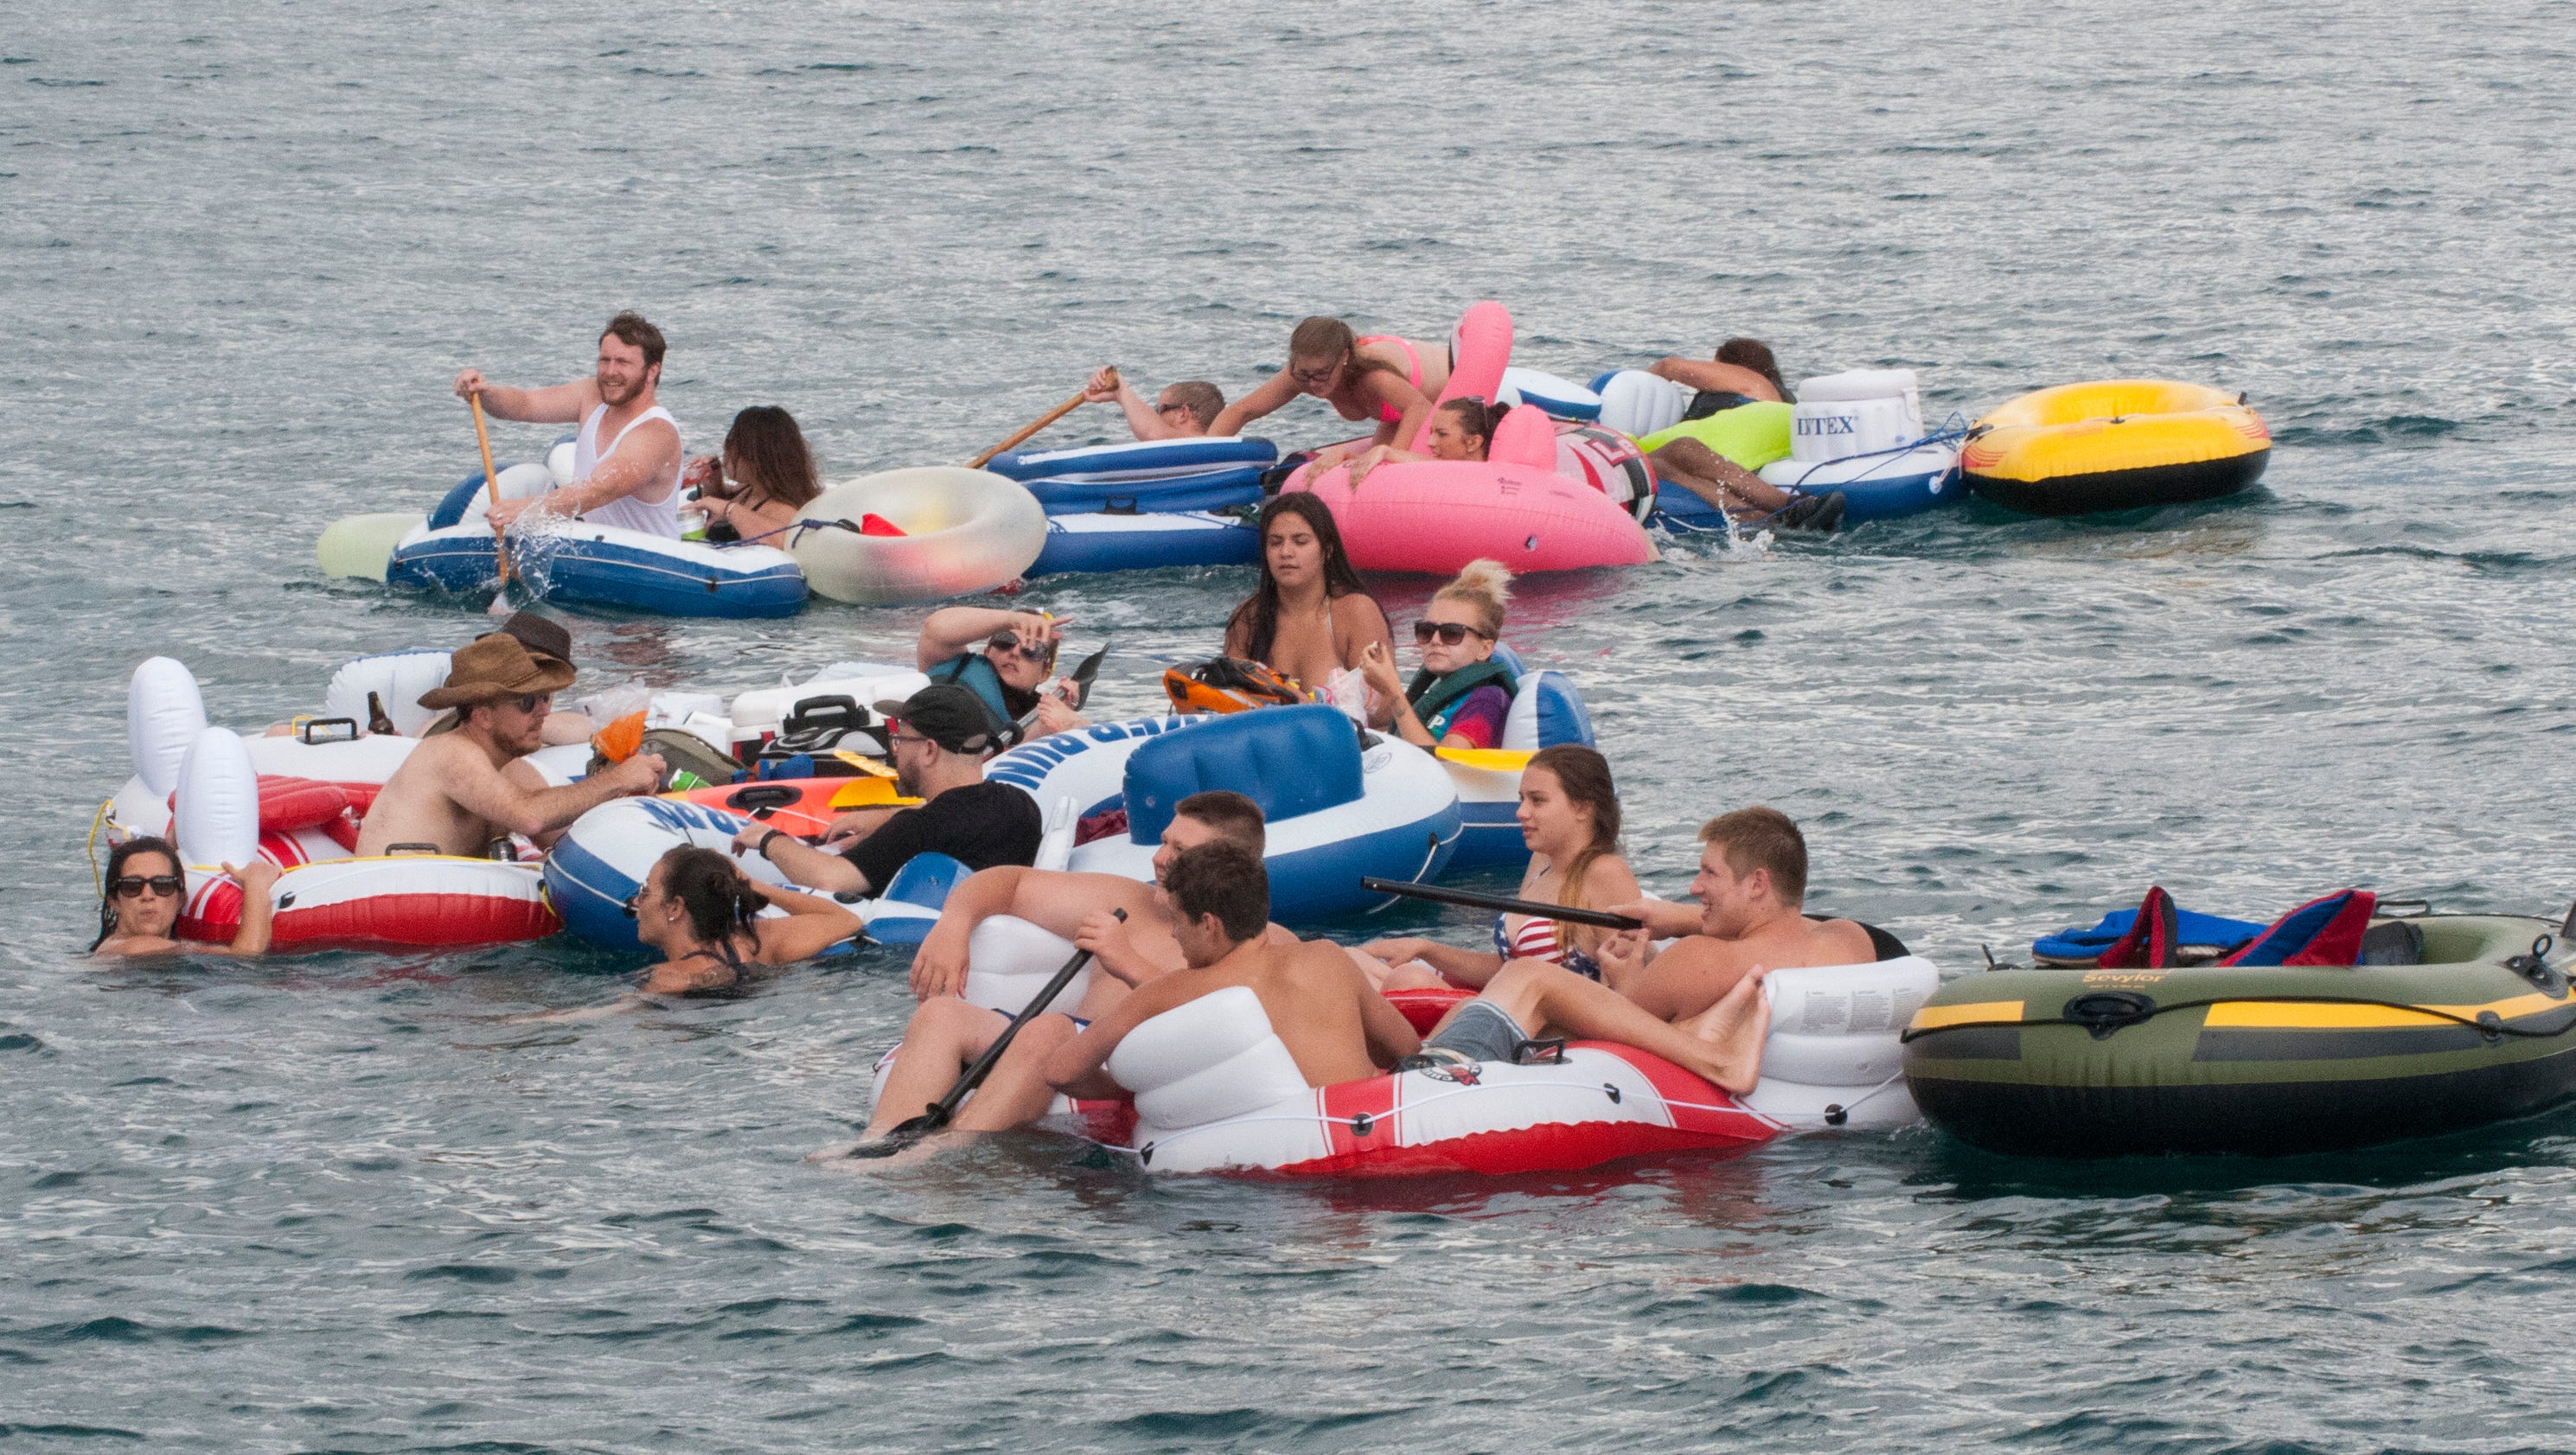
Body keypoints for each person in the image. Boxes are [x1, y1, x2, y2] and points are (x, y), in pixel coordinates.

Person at [862, 792, 1282, 1139]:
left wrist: (1129, 963)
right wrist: (953, 926)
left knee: (1050, 1032)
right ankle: (879, 1145)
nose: (1160, 857)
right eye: (1165, 842)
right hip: (1069, 1050)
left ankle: (945, 1154)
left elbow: (1234, 1026)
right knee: (941, 1015)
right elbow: (1009, 883)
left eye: (1181, 851)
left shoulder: (1257, 939)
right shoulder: (1127, 899)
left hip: (1133, 1070)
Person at [1402, 807, 1875, 1094]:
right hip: (1816, 1094)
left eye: (1708, 873)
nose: (1694, 888)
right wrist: (1674, 920)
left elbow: (1608, 1031)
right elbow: (1785, 929)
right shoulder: (1849, 940)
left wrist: (1622, 979)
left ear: (1757, 883)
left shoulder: (1702, 959)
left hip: (1620, 1074)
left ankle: (1427, 1070)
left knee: (1526, 977)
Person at [1039, 842, 1422, 1114]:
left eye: (1176, 920)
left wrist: (1131, 1095)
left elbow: (1060, 1070)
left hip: (1280, 1156)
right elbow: (1406, 1050)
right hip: (1376, 1126)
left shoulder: (1172, 989)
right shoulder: (1328, 958)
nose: (1173, 935)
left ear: (1208, 925)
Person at [354, 635, 665, 858]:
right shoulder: (449, 752)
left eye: (545, 698)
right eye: (527, 702)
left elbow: (567, 840)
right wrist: (617, 779)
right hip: (393, 918)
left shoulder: (512, 770)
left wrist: (625, 796)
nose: (544, 711)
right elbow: (529, 817)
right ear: (485, 717)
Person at [1358, 744, 1639, 990]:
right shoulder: (1542, 863)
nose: (1521, 812)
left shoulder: (1606, 873)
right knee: (1351, 959)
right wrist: (1426, 947)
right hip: (1511, 1003)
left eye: (1537, 800)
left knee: (1408, 980)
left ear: (1583, 808)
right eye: (1522, 799)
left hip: (1552, 1030)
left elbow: (1629, 985)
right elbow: (1507, 969)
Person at [734, 684, 1040, 897]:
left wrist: (768, 839)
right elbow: (962, 813)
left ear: (929, 750)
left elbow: (831, 879)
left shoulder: (920, 831)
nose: (895, 752)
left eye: (900, 740)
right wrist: (885, 817)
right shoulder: (1020, 804)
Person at [451, 311, 685, 539]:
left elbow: (601, 489)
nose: (610, 372)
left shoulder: (657, 431)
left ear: (652, 371)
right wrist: (484, 392)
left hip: (647, 563)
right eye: (605, 360)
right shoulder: (591, 394)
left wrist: (526, 509)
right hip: (591, 546)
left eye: (622, 362)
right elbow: (525, 404)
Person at [1220, 493, 1394, 721]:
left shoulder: (1355, 611)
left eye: (1300, 541)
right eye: (1275, 542)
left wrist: (1305, 704)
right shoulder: (1248, 618)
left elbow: (1384, 712)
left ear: (1327, 550)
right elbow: (1228, 707)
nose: (1286, 552)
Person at [1638, 338, 1839, 528]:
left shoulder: (1752, 381)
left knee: (1684, 448)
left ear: (1725, 367)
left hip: (1719, 454)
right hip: (1722, 462)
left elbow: (1668, 366)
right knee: (1661, 467)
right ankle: (1763, 518)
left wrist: (1634, 389)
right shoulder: (1779, 396)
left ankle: (1791, 506)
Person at [627, 846, 865, 996]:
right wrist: (751, 884)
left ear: (676, 907)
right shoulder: (755, 943)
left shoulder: (666, 979)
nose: (637, 901)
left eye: (646, 891)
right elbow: (845, 919)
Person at [1206, 317, 1443, 455]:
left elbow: (1419, 408)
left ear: (1344, 357)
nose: (1312, 383)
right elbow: (1242, 411)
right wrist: (1205, 458)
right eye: (1304, 373)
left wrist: (1390, 457)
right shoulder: (1299, 374)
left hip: (1448, 387)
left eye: (1321, 374)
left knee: (1382, 461)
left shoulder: (1371, 374)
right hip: (1398, 412)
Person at [1354, 557, 1517, 751]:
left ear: (1484, 649)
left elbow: (1448, 766)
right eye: (1426, 630)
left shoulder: (1486, 699)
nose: (1435, 640)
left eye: (1452, 633)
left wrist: (1392, 692)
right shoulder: (1443, 693)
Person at [88, 837, 278, 958]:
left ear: (181, 900)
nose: (147, 895)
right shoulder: (136, 947)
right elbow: (247, 955)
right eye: (132, 886)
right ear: (114, 902)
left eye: (162, 884)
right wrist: (256, 885)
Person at [914, 607, 1087, 738]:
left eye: (1032, 649)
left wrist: (1069, 722)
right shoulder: (951, 663)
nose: (1015, 652)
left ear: (1044, 673)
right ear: (988, 650)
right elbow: (933, 628)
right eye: (1006, 641)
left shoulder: (1046, 718)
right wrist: (1012, 619)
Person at [682, 405, 822, 544]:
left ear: (756, 458)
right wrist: (714, 484)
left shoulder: (783, 509)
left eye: (732, 445)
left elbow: (784, 541)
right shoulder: (750, 490)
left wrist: (728, 509)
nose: (724, 449)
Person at [1339, 396, 1497, 488]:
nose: (1430, 442)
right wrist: (1383, 451)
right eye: (1431, 433)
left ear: (1473, 443)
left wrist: (1386, 451)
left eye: (1442, 434)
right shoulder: (1441, 469)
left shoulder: (1489, 479)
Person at [1083, 369, 1225, 442]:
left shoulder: (1190, 450)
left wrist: (1121, 391)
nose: (1155, 416)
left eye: (1159, 410)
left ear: (1183, 413)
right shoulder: (1224, 451)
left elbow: (1154, 433)